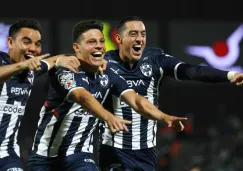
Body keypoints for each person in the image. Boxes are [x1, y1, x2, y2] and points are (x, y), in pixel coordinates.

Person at [27, 19, 187, 171]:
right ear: (77, 48)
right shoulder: (65, 70)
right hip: (45, 158)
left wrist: (163, 117)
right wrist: (108, 117)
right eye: (91, 42)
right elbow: (83, 97)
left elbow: (136, 100)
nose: (99, 47)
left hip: (79, 155)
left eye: (101, 41)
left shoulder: (109, 73)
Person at [98, 16, 243, 171]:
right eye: (133, 34)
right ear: (119, 38)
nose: (139, 39)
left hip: (146, 151)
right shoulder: (103, 63)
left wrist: (229, 75)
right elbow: (74, 69)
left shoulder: (156, 60)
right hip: (114, 150)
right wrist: (67, 60)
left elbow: (192, 71)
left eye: (143, 34)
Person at [0, 19, 80, 171]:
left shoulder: (31, 70)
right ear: (10, 43)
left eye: (37, 44)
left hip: (6, 154)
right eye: (26, 42)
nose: (33, 48)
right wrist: (21, 65)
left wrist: (98, 62)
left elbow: (55, 59)